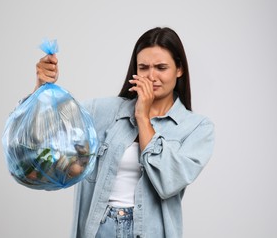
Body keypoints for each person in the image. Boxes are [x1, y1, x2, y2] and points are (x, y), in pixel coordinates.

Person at [34, 27, 215, 238]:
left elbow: (169, 182)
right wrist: (42, 88)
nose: (151, 76)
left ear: (179, 69)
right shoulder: (102, 111)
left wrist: (142, 116)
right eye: (144, 67)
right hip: (100, 229)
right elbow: (47, 134)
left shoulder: (197, 128)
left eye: (161, 67)